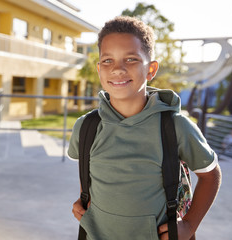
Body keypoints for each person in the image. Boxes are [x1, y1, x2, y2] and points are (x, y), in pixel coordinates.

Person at [68, 16, 222, 240]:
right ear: (99, 69)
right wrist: (85, 197)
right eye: (108, 60)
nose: (118, 69)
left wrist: (189, 225)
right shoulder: (86, 126)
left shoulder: (175, 126)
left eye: (130, 59)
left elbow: (211, 175)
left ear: (151, 69)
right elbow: (87, 166)